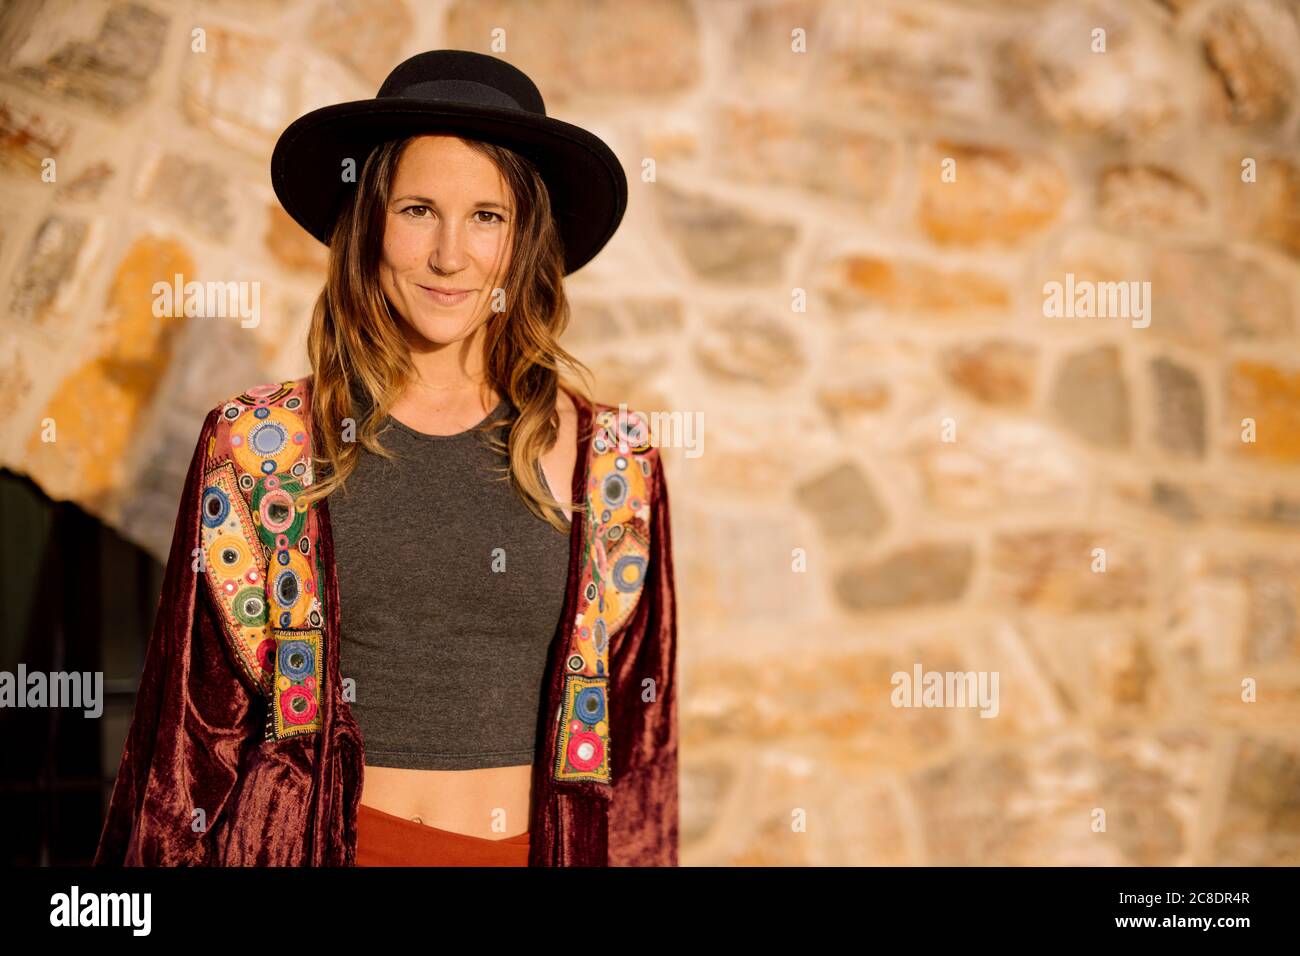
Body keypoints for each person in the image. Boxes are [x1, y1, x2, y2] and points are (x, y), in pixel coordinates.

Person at [93, 50, 678, 867]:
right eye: (417, 209)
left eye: (487, 216)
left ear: (524, 242)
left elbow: (639, 766)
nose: (449, 255)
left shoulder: (616, 463)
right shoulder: (259, 446)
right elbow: (186, 747)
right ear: (369, 222)